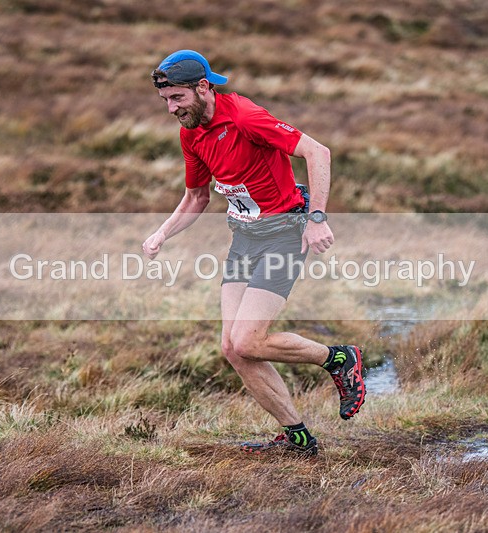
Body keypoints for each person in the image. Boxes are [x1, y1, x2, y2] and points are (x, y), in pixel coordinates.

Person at [142, 50, 366, 456]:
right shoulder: (191, 133)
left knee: (248, 339)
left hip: (285, 233)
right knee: (233, 347)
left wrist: (317, 218)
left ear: (203, 87)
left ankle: (339, 358)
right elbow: (196, 197)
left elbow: (318, 152)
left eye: (177, 98)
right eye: (166, 100)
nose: (171, 109)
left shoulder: (245, 117)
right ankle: (297, 438)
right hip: (244, 238)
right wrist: (162, 233)